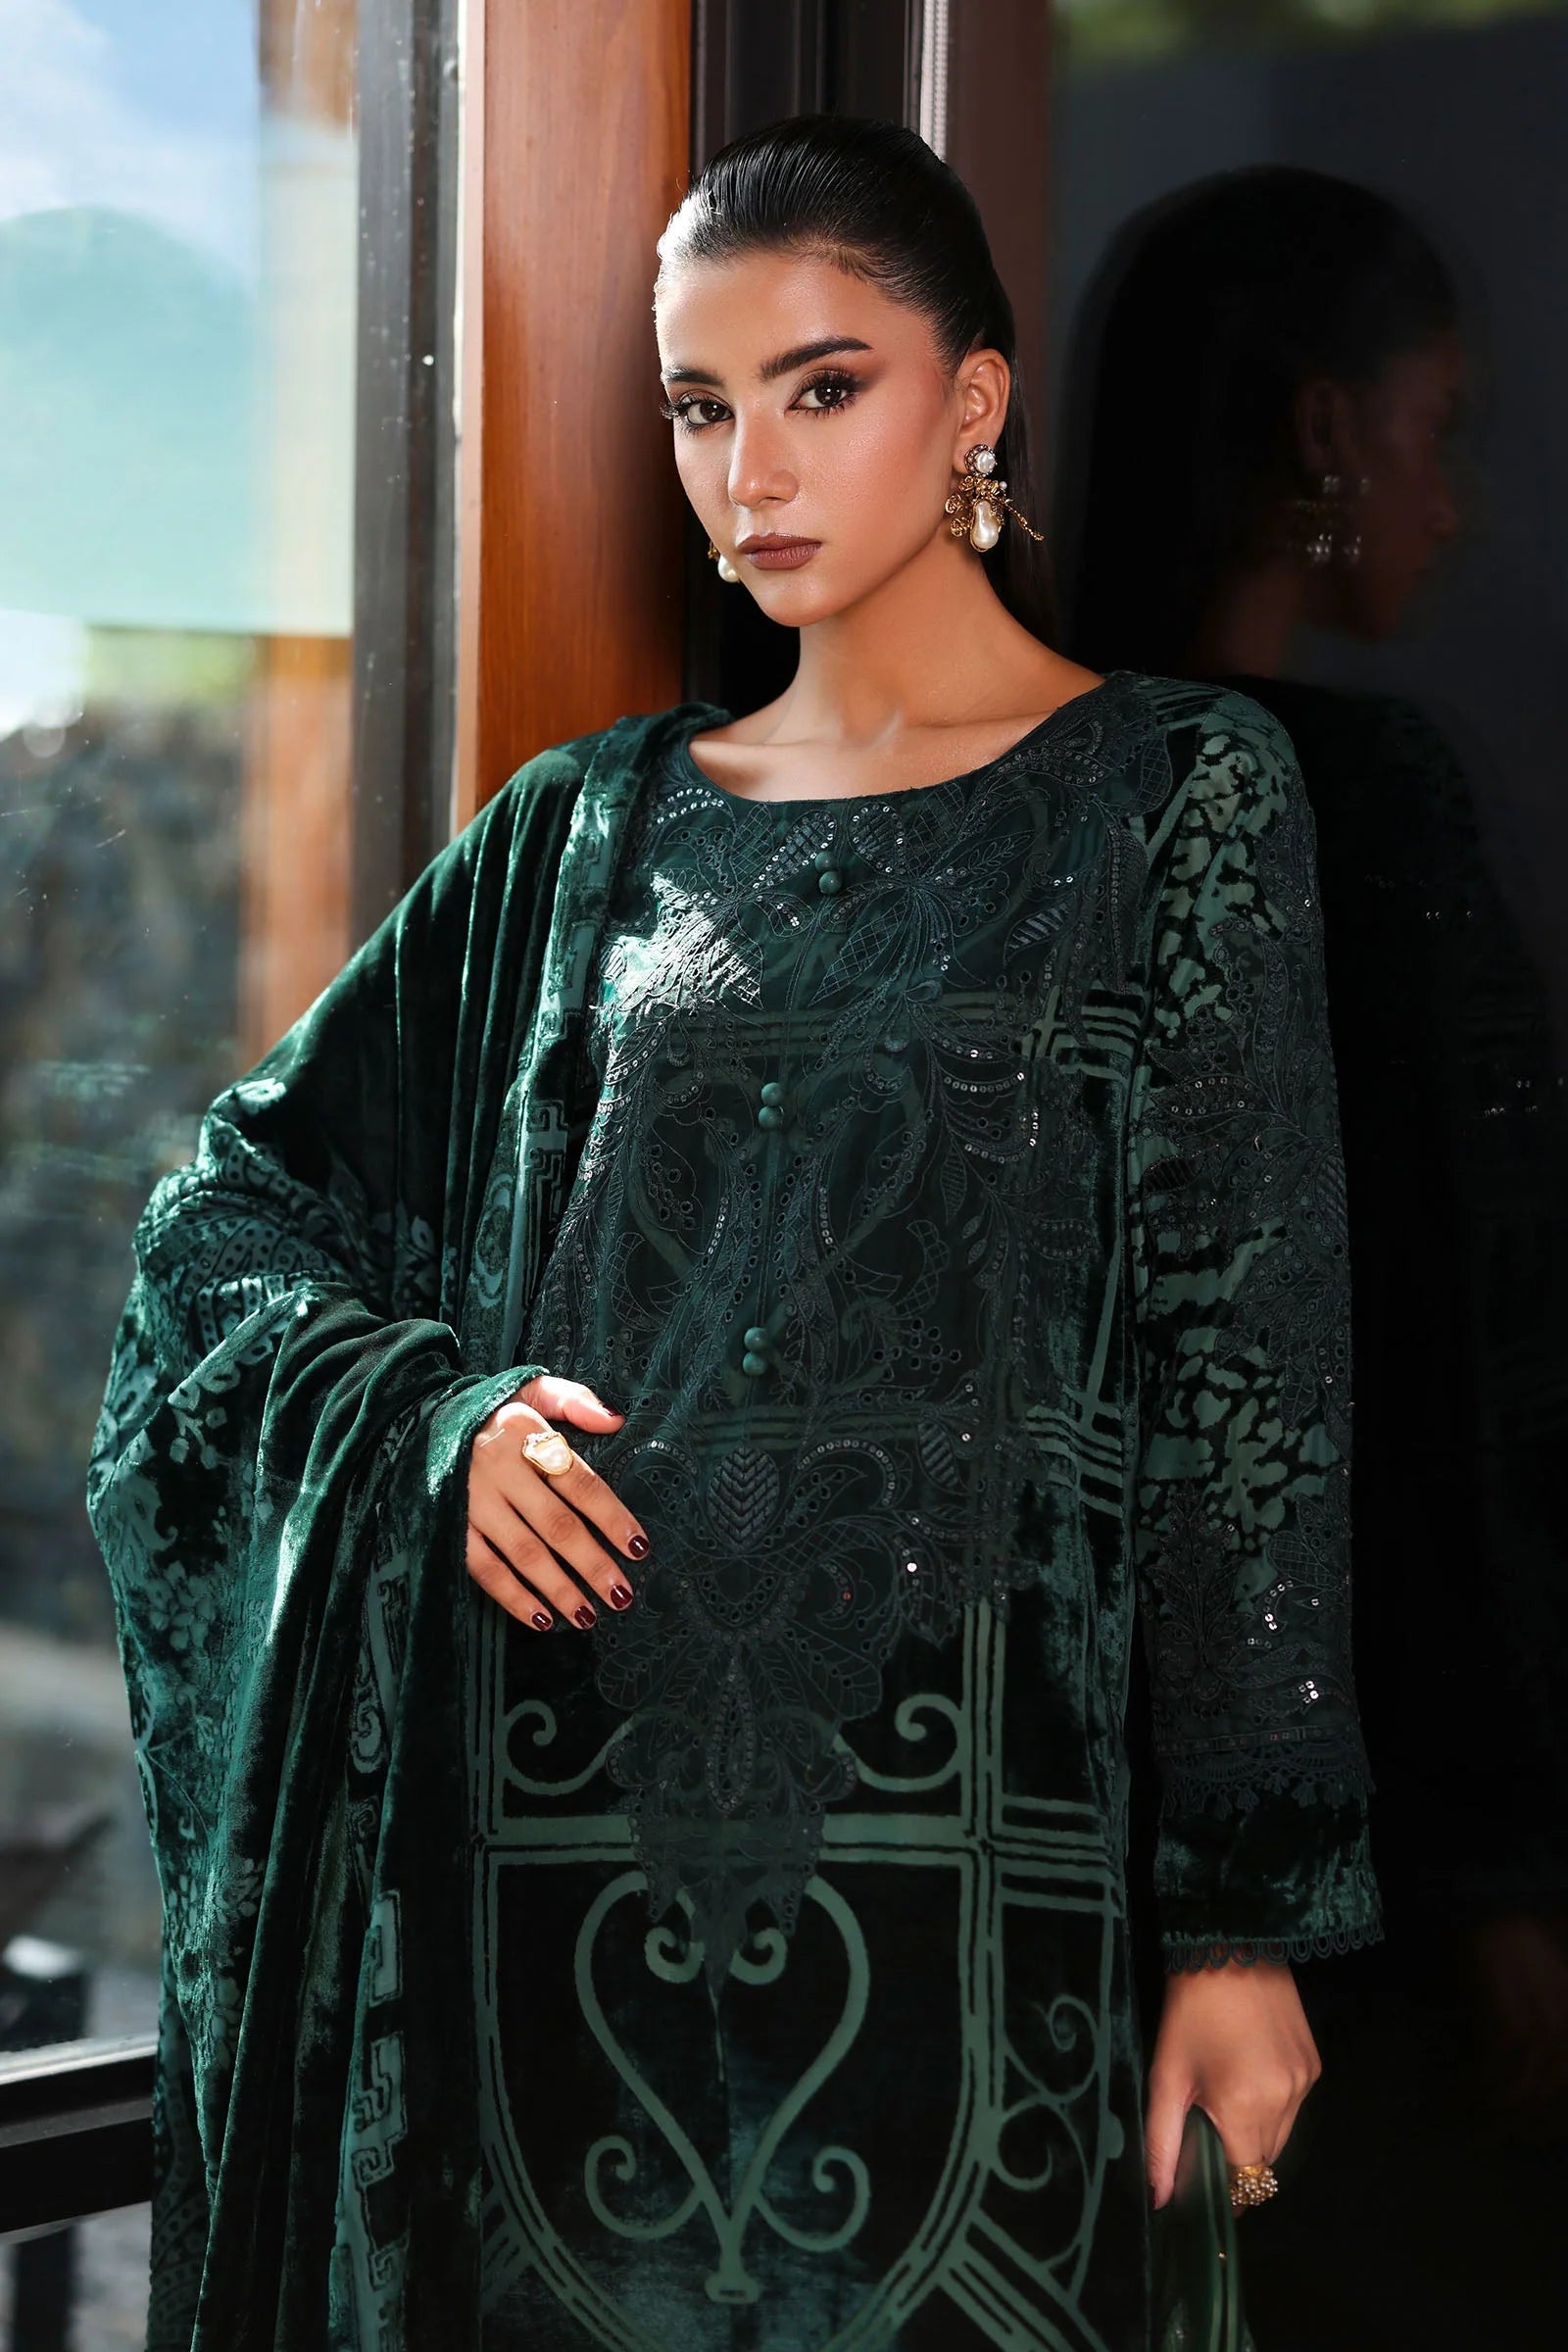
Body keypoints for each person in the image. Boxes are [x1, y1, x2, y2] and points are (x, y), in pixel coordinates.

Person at [88, 119, 1380, 2351]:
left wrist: (1241, 1924)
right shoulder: (572, 840)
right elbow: (223, 1231)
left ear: (972, 403)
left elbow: (1245, 1364)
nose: (748, 472)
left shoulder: (1175, 796)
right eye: (700, 405)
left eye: (822, 387)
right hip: (547, 1920)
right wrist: (433, 1424)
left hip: (984, 1954)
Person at [1058, 166, 1568, 2341]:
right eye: (1435, 429)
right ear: (1324, 433)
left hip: (1041, 1820)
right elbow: (1458, 1368)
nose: (1452, 499)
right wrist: (1500, 1862)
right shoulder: (1349, 801)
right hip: (1336, 1847)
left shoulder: (999, 791)